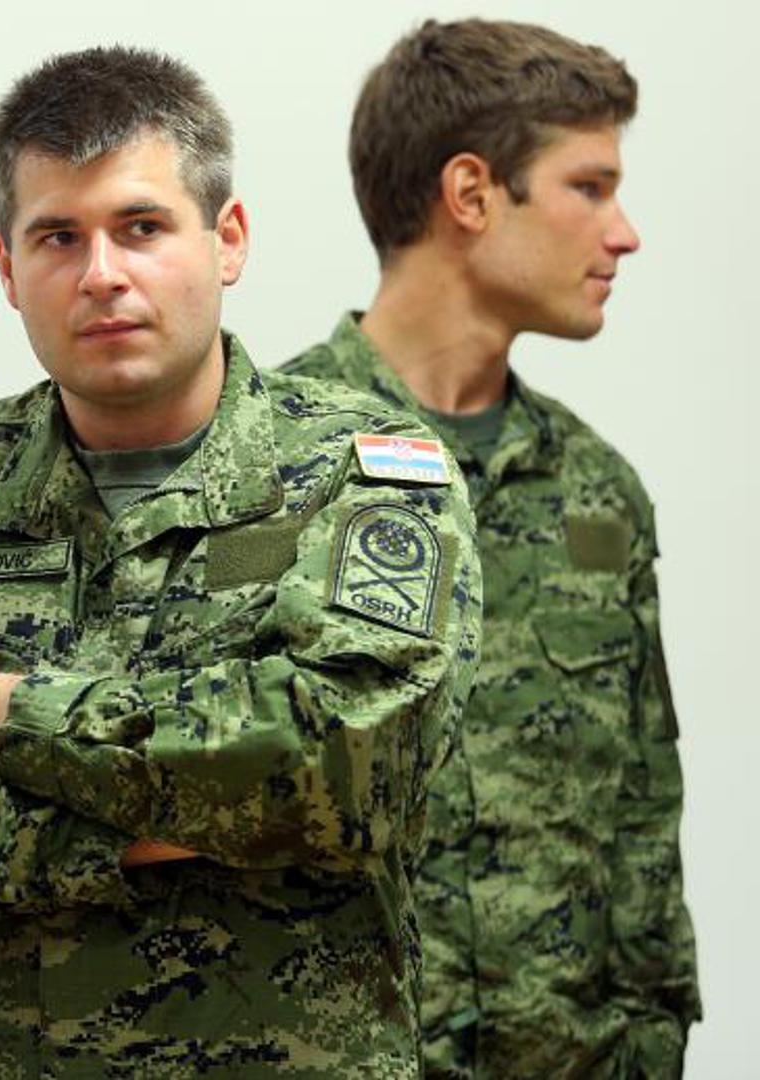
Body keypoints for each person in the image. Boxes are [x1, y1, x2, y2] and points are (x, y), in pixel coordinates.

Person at [0, 46, 482, 1077]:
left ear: (227, 240)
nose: (101, 274)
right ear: (7, 269)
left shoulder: (362, 474)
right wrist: (123, 837)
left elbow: (357, 761)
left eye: (141, 227)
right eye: (58, 237)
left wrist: (12, 715)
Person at [281, 19, 699, 1077]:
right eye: (588, 187)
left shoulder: (596, 491)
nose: (623, 234)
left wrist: (651, 1042)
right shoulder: (264, 465)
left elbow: (643, 816)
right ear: (470, 194)